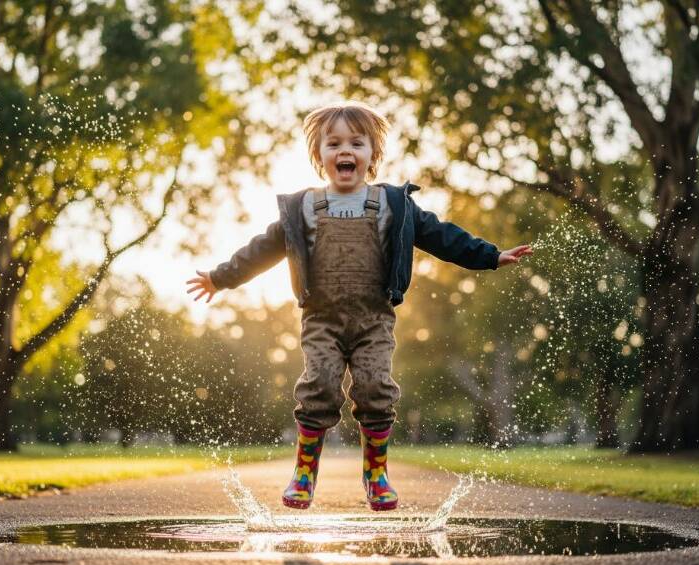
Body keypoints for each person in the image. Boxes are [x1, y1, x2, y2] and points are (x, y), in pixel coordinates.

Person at [186, 101, 532, 511]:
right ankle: (304, 472)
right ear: (319, 156)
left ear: (372, 155)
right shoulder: (303, 208)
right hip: (322, 320)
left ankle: (376, 474)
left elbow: (442, 236)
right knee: (319, 386)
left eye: (356, 142)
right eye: (333, 143)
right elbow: (262, 249)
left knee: (375, 389)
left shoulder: (392, 204)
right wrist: (221, 277)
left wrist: (489, 255)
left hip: (374, 321)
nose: (344, 150)